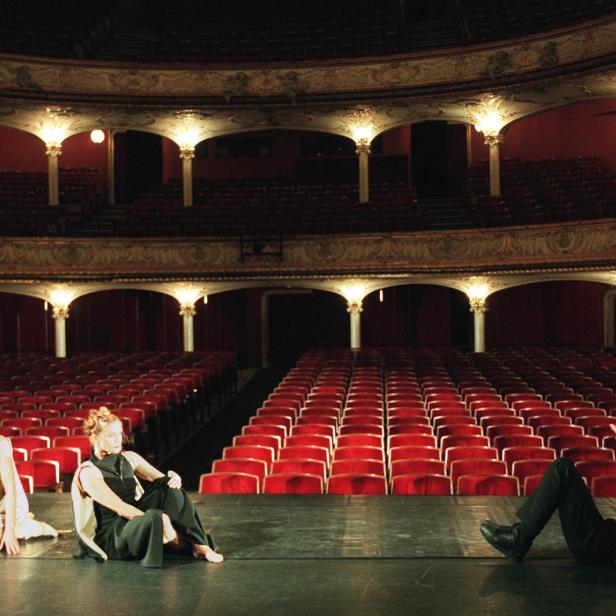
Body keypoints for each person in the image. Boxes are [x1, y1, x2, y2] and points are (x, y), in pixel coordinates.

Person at [73, 407, 223, 568]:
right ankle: (186, 544)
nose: (118, 440)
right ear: (95, 438)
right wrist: (159, 519)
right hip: (114, 535)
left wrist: (174, 479)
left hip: (136, 520)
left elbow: (162, 480)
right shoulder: (88, 473)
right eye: (111, 436)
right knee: (154, 518)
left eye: (120, 434)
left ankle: (200, 544)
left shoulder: (129, 458)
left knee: (169, 489)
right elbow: (121, 508)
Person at [480, 424, 616, 565]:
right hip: (605, 534)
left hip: (599, 546)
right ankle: (519, 536)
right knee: (562, 468)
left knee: (562, 469)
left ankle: (519, 539)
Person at [0, 435, 58, 555]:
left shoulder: (1, 444)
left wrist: (10, 530)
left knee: (6, 535)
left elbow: (10, 490)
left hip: (10, 503)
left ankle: (37, 527)